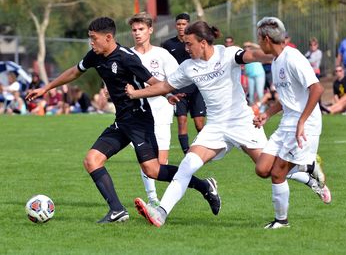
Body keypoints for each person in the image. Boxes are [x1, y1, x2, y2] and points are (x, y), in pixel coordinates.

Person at [126, 20, 328, 228]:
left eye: (189, 44)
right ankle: (161, 213)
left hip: (242, 123)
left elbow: (254, 55)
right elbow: (164, 86)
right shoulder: (188, 67)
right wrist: (135, 94)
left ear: (203, 43)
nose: (186, 48)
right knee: (188, 165)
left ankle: (308, 172)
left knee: (267, 169)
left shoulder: (228, 54)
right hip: (215, 127)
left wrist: (280, 54)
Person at [26, 17, 219, 224]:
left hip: (139, 121)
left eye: (94, 38)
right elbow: (75, 71)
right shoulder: (95, 55)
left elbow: (152, 81)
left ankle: (204, 186)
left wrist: (167, 95)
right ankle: (117, 210)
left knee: (152, 170)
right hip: (121, 122)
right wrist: (46, 88)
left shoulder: (127, 58)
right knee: (92, 160)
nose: (91, 42)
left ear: (108, 38)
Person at [253, 17, 331, 229]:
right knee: (262, 169)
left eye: (259, 39)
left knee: (278, 173)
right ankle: (309, 170)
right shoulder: (277, 60)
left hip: (305, 124)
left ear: (267, 39)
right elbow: (288, 98)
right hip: (288, 122)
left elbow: (317, 89)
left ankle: (282, 221)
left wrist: (302, 122)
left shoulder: (293, 58)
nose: (258, 43)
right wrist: (267, 113)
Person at [129, 12, 178, 206]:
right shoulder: (128, 55)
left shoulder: (162, 54)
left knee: (161, 162)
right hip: (138, 115)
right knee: (146, 159)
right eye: (134, 30)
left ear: (150, 30)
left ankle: (164, 201)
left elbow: (174, 80)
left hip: (162, 112)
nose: (137, 33)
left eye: (141, 29)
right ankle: (153, 199)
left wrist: (167, 91)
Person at [162, 13, 207, 154]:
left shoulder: (196, 41)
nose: (181, 27)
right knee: (182, 121)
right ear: (175, 26)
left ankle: (204, 148)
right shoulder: (168, 45)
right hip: (178, 89)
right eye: (179, 24)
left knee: (200, 124)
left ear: (189, 24)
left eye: (184, 24)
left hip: (196, 87)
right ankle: (187, 152)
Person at [243, 42, 266, 109]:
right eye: (246, 47)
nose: (247, 48)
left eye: (249, 46)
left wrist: (251, 44)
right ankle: (252, 110)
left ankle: (262, 109)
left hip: (259, 74)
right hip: (250, 76)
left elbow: (261, 48)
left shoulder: (255, 52)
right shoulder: (244, 54)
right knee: (251, 94)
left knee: (259, 92)